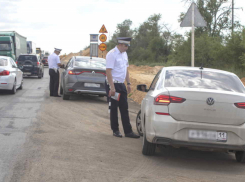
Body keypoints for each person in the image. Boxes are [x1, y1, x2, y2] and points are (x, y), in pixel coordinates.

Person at [105, 37, 140, 138]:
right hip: (113, 84)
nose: (127, 48)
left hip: (121, 84)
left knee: (124, 108)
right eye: (125, 46)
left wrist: (128, 83)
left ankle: (128, 132)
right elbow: (108, 71)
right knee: (114, 108)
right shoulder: (112, 54)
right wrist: (112, 87)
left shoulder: (124, 54)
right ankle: (115, 130)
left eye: (128, 46)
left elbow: (126, 69)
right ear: (120, 44)